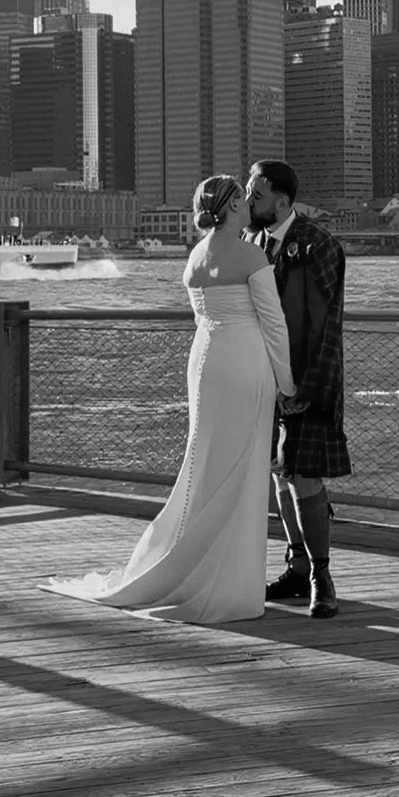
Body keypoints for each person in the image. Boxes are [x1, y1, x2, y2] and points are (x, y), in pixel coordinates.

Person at [44, 172, 294, 623]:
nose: (248, 202)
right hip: (244, 364)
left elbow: (207, 315)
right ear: (234, 206)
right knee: (242, 468)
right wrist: (288, 382)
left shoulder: (196, 255)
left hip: (205, 363)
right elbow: (273, 324)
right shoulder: (251, 254)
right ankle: (230, 584)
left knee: (204, 465)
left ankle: (183, 563)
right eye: (242, 197)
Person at [245, 158, 350, 619]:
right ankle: (296, 565)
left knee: (304, 475)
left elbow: (326, 324)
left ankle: (321, 579)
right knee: (278, 472)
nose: (249, 201)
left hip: (308, 376)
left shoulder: (318, 244)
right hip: (262, 378)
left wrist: (305, 386)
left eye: (256, 194)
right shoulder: (250, 241)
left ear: (282, 201)